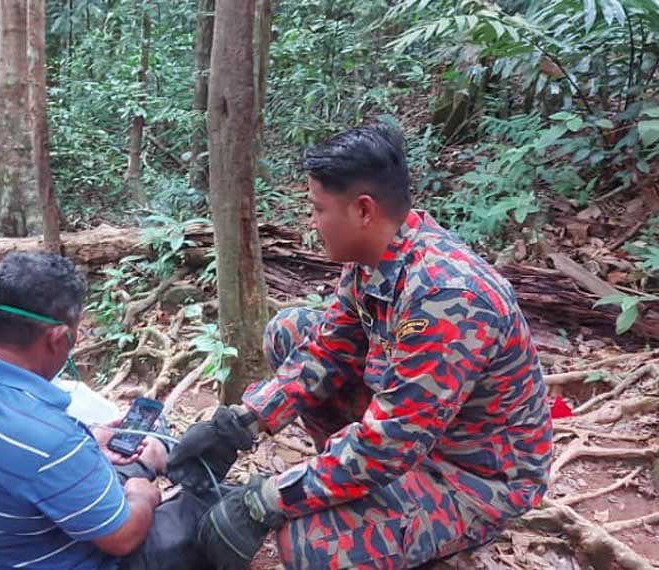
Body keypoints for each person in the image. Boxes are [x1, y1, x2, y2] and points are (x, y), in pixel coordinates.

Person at [168, 124, 554, 569]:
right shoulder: (375, 261)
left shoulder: (447, 297)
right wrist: (242, 423)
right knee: (292, 329)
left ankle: (374, 500)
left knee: (299, 546)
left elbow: (390, 445)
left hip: (472, 474)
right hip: (413, 437)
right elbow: (326, 351)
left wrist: (268, 499)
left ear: (364, 211)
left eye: (317, 209)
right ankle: (345, 484)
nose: (311, 223)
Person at [0, 252, 215, 570]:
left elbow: (32, 457)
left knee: (144, 443)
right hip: (71, 557)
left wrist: (92, 439)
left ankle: (155, 460)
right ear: (58, 338)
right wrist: (143, 496)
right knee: (210, 511)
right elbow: (123, 538)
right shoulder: (53, 440)